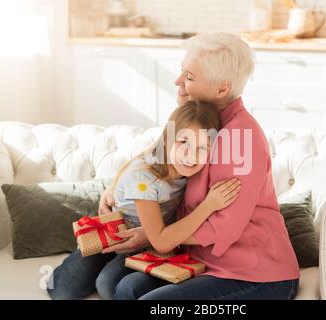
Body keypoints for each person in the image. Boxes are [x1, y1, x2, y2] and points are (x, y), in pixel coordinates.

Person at [99, 32, 300, 300]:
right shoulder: (198, 121)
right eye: (182, 72)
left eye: (189, 77)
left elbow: (223, 227)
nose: (178, 81)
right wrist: (112, 187)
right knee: (123, 287)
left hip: (254, 275)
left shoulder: (241, 139)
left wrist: (155, 236)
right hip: (201, 262)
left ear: (222, 89)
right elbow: (151, 156)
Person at [47, 100, 241, 300]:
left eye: (202, 147)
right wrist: (209, 205)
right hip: (121, 232)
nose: (191, 155)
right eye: (184, 142)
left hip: (147, 242)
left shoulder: (190, 170)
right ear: (167, 140)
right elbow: (160, 239)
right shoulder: (144, 178)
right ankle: (92, 260)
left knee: (107, 285)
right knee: (62, 290)